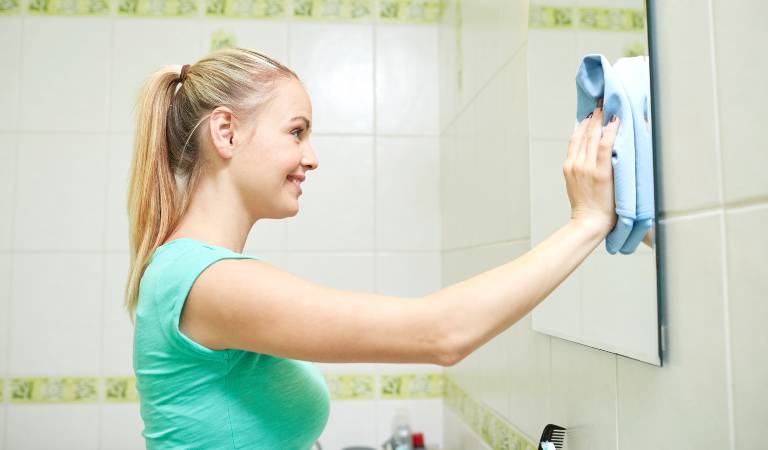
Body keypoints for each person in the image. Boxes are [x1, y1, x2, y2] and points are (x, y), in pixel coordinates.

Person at [125, 46, 632, 449]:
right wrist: (586, 222)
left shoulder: (194, 272)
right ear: (226, 132)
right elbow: (443, 334)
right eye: (296, 132)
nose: (312, 157)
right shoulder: (208, 281)